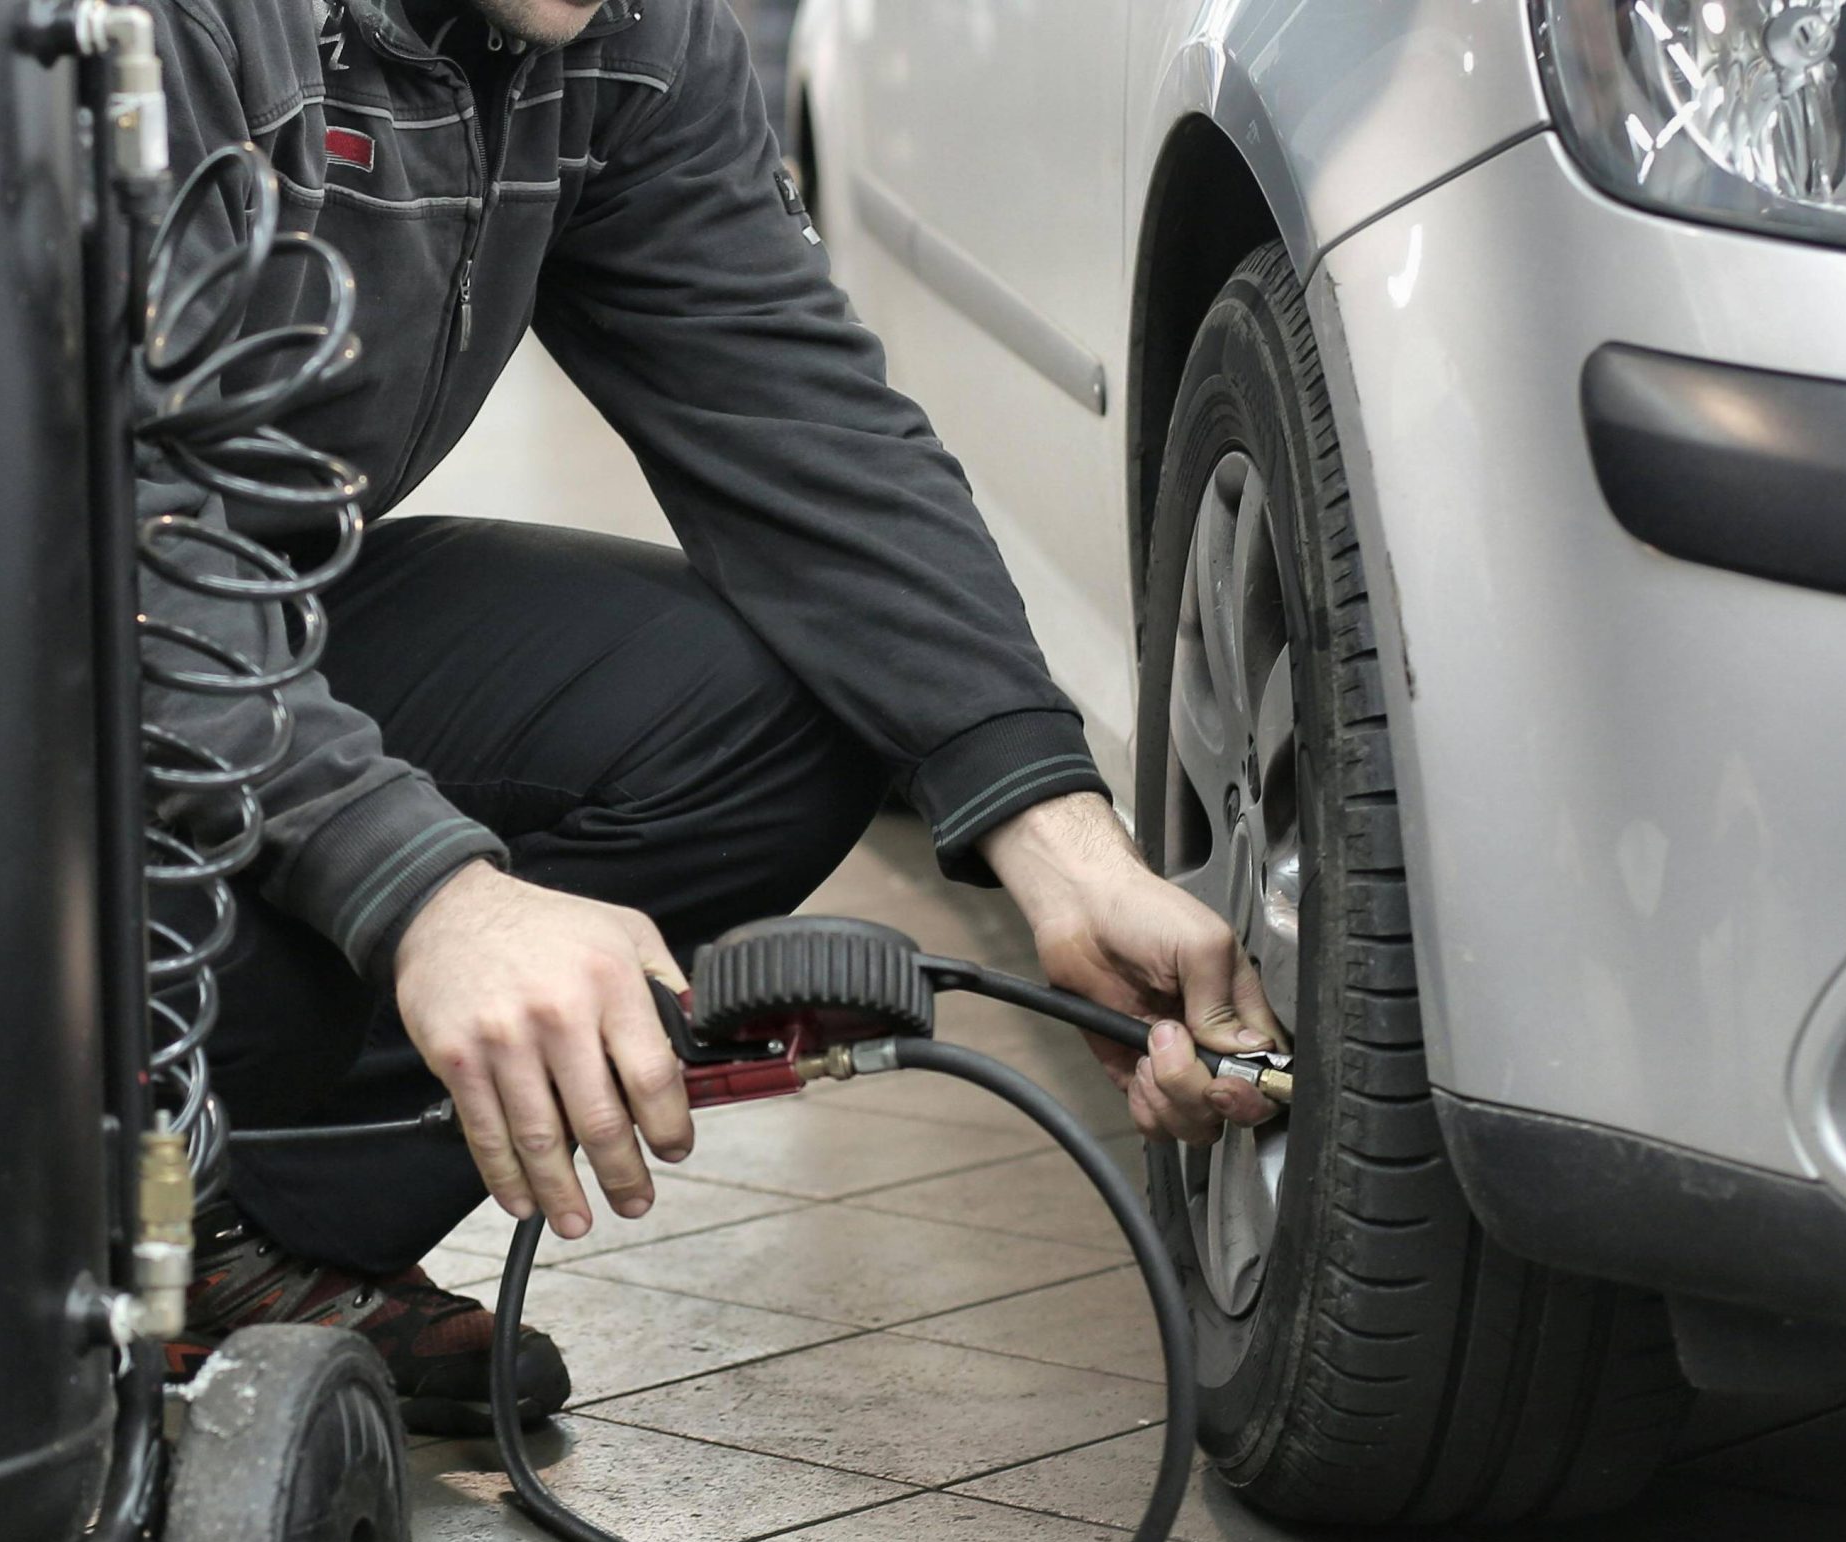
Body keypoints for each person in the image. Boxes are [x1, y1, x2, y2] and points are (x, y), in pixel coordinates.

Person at [150, 0, 1277, 1432]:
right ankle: (11, 1194)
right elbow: (65, 526)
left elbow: (794, 414)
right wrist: (424, 890)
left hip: (213, 611)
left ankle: (225, 1232)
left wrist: (1061, 843)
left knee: (771, 713)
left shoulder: (616, 33)